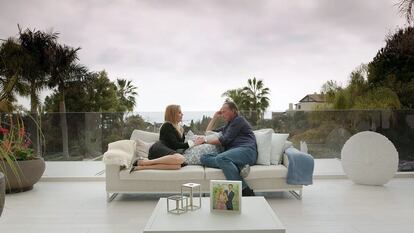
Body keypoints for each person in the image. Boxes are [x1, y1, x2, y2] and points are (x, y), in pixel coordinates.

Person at [200, 101, 257, 196]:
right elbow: (208, 132)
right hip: (233, 155)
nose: (222, 114)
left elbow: (224, 140)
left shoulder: (239, 120)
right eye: (221, 112)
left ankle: (245, 191)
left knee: (220, 158)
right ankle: (238, 166)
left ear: (233, 111)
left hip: (247, 151)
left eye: (224, 111)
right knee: (203, 158)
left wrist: (205, 141)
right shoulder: (227, 126)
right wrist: (214, 118)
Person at [131, 104, 204, 171]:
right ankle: (146, 162)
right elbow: (176, 145)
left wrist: (195, 142)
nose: (182, 114)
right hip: (159, 149)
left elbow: (181, 146)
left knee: (178, 165)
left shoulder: (180, 129)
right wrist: (194, 143)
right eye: (179, 112)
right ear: (173, 114)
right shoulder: (167, 126)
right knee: (181, 158)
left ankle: (143, 166)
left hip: (168, 153)